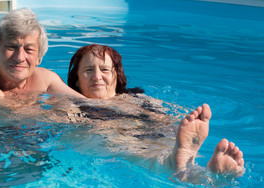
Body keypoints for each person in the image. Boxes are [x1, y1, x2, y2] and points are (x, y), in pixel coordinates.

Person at [67, 44, 245, 178]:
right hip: (115, 135)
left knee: (166, 139)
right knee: (114, 140)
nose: (97, 76)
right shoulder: (72, 104)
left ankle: (185, 160)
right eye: (88, 70)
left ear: (116, 76)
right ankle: (203, 174)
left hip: (150, 131)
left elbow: (167, 118)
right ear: (76, 81)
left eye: (105, 69)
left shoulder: (138, 98)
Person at [0, 8, 83, 98]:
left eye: (28, 49)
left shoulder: (46, 79)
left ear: (39, 58)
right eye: (11, 47)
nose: (20, 57)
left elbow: (87, 106)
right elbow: (5, 117)